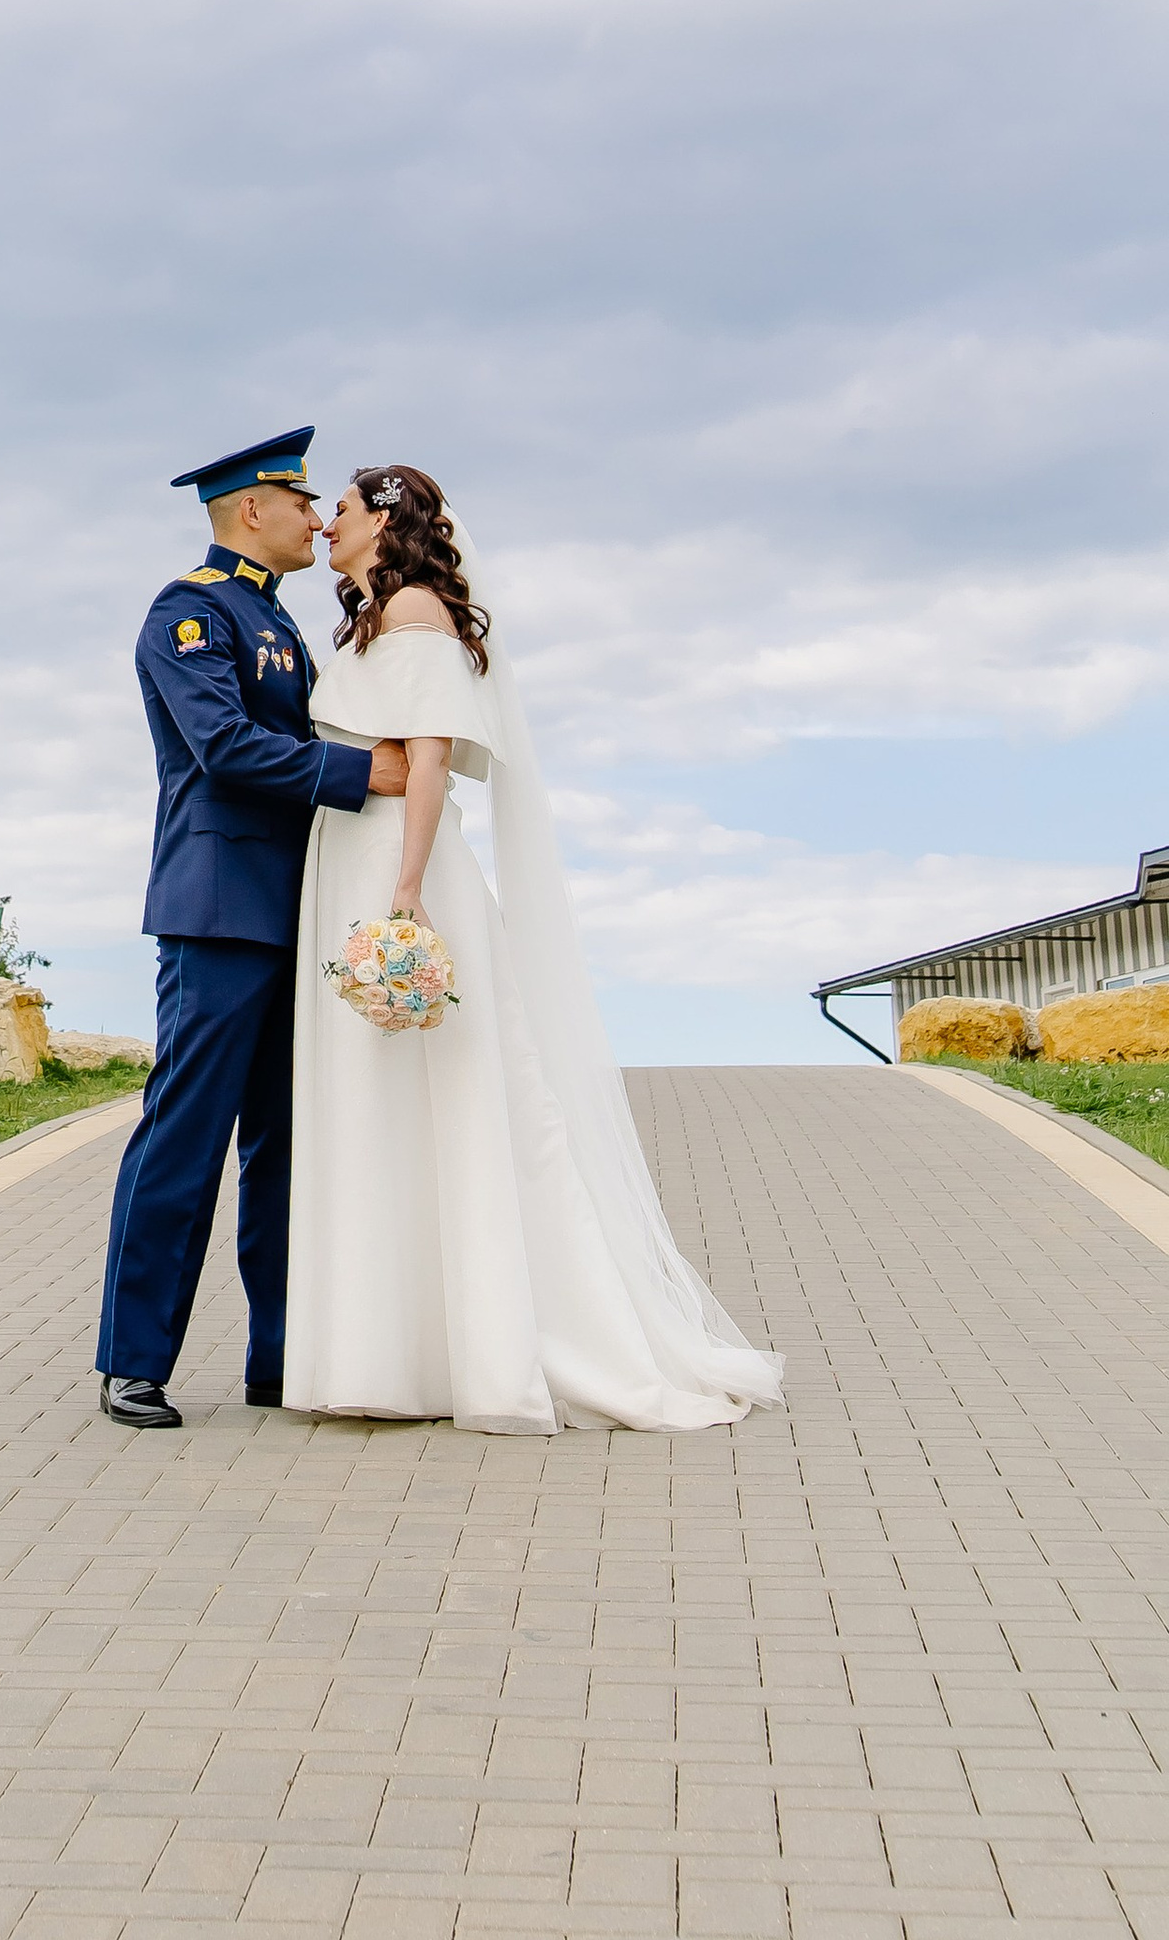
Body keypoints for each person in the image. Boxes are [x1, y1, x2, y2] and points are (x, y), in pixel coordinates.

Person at [283, 464, 782, 1432]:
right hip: (362, 863)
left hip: (396, 867)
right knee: (385, 1107)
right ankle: (395, 1354)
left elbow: (427, 755)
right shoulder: (378, 617)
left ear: (383, 520)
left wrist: (406, 889)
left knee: (452, 1106)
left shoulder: (417, 611)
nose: (324, 525)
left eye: (338, 509)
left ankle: (469, 1349)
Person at [93, 427, 405, 1430]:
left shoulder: (274, 619)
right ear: (251, 509)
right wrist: (367, 777)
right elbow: (224, 748)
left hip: (294, 910)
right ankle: (134, 1360)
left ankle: (279, 1356)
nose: (318, 519)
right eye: (300, 501)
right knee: (185, 1134)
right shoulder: (189, 612)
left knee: (284, 1145)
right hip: (217, 909)